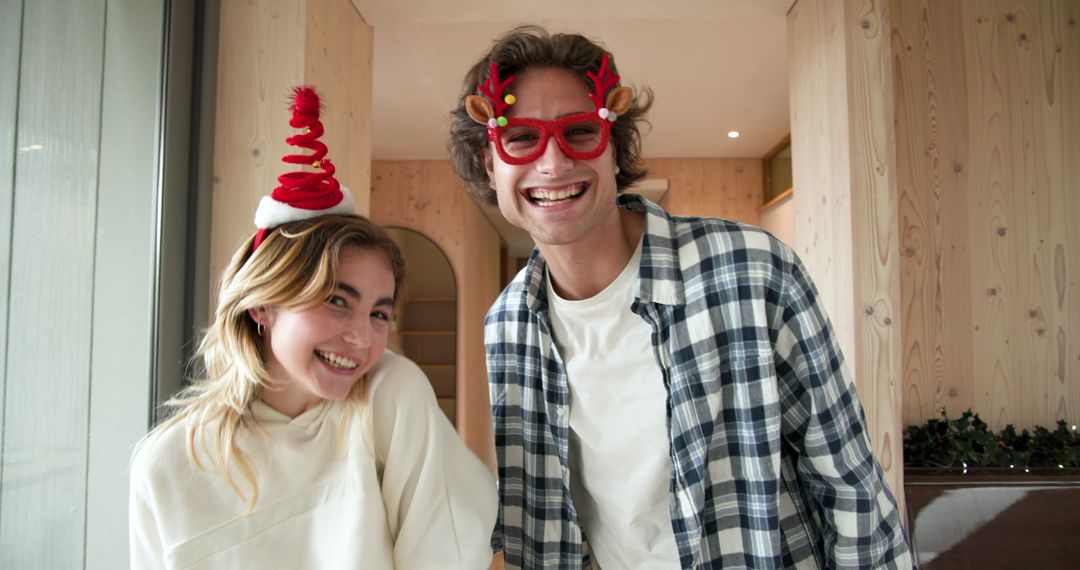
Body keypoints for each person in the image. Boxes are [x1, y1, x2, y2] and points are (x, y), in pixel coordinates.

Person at [448, 26, 913, 569]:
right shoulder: (507, 326)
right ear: (489, 164)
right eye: (522, 138)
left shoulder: (751, 269)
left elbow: (851, 489)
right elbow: (541, 522)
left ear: (615, 152)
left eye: (579, 132)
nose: (553, 164)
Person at [129, 87, 496, 569]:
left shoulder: (388, 397)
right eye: (336, 302)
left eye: (379, 313)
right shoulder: (168, 465)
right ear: (262, 304)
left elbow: (451, 555)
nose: (363, 338)